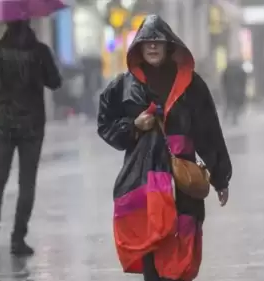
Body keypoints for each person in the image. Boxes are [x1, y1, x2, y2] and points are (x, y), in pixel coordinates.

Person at [97, 15, 232, 281]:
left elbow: (209, 133)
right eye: (146, 42)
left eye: (158, 41)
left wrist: (220, 177)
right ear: (138, 48)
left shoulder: (192, 86)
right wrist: (133, 125)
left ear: (170, 45)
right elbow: (106, 125)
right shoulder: (123, 86)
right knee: (152, 246)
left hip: (183, 180)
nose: (153, 47)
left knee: (182, 245)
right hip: (143, 178)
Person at [0, 20, 61, 258]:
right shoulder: (40, 51)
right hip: (33, 125)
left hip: (3, 123)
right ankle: (18, 239)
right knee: (27, 184)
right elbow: (55, 82)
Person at [221, 60, 247, 125]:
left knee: (228, 104)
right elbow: (243, 81)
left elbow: (223, 80)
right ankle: (233, 118)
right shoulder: (240, 70)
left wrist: (224, 89)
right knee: (235, 104)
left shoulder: (227, 70)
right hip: (238, 90)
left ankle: (225, 116)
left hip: (229, 90)